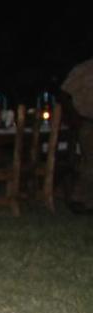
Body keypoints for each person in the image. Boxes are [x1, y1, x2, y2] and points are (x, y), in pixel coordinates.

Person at [61, 57, 93, 215]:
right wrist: (74, 119)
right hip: (87, 121)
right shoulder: (84, 69)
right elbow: (65, 94)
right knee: (90, 160)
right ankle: (79, 199)